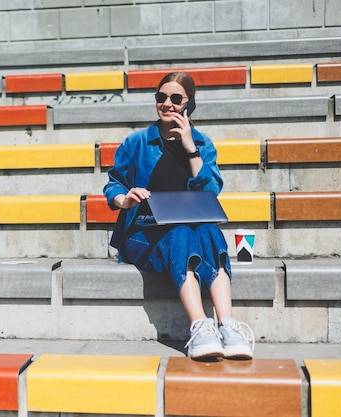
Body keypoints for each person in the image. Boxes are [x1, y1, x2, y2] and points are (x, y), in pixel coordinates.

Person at [103, 71, 254, 360]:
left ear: (190, 103)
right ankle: (199, 326)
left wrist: (189, 147)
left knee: (210, 232)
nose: (167, 104)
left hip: (190, 228)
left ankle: (228, 327)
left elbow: (210, 191)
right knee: (183, 233)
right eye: (161, 97)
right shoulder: (137, 142)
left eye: (176, 98)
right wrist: (125, 199)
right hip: (143, 233)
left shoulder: (202, 144)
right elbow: (114, 184)